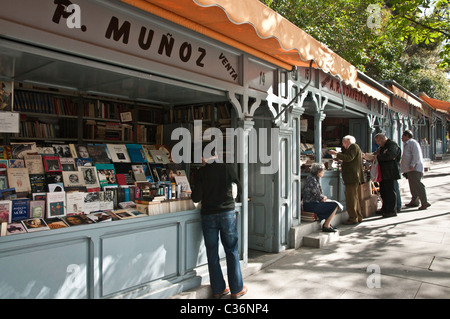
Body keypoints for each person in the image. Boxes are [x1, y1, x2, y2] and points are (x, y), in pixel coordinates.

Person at [191, 155, 247, 299]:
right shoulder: (227, 168)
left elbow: (196, 198)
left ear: (206, 158)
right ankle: (236, 289)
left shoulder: (201, 172)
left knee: (212, 253)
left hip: (208, 215)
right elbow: (239, 188)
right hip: (227, 213)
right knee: (231, 250)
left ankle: (218, 290)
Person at [328, 135, 365, 225]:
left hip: (351, 177)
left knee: (351, 198)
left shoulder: (353, 146)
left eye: (343, 142)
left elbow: (349, 158)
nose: (343, 144)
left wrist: (336, 153)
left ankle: (353, 218)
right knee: (354, 198)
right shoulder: (354, 147)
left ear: (348, 140)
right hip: (352, 177)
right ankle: (358, 216)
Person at [302, 163, 340, 232]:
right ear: (318, 171)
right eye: (322, 171)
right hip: (310, 205)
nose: (324, 172)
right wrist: (323, 198)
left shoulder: (313, 178)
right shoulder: (312, 179)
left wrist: (322, 198)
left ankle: (327, 224)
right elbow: (317, 195)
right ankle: (326, 225)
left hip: (312, 203)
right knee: (335, 205)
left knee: (331, 204)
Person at [401, 130, 431, 210]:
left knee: (418, 185)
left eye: (403, 136)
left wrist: (412, 164)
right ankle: (414, 201)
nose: (401, 138)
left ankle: (424, 202)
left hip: (415, 168)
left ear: (407, 136)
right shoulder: (407, 144)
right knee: (413, 185)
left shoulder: (412, 143)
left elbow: (416, 154)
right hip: (410, 169)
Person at [373, 133, 401, 218]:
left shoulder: (392, 145)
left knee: (390, 192)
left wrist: (378, 157)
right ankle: (385, 208)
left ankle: (392, 210)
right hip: (383, 172)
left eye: (378, 141)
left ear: (382, 139)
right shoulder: (382, 147)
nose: (378, 143)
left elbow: (390, 156)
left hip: (390, 172)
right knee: (383, 191)